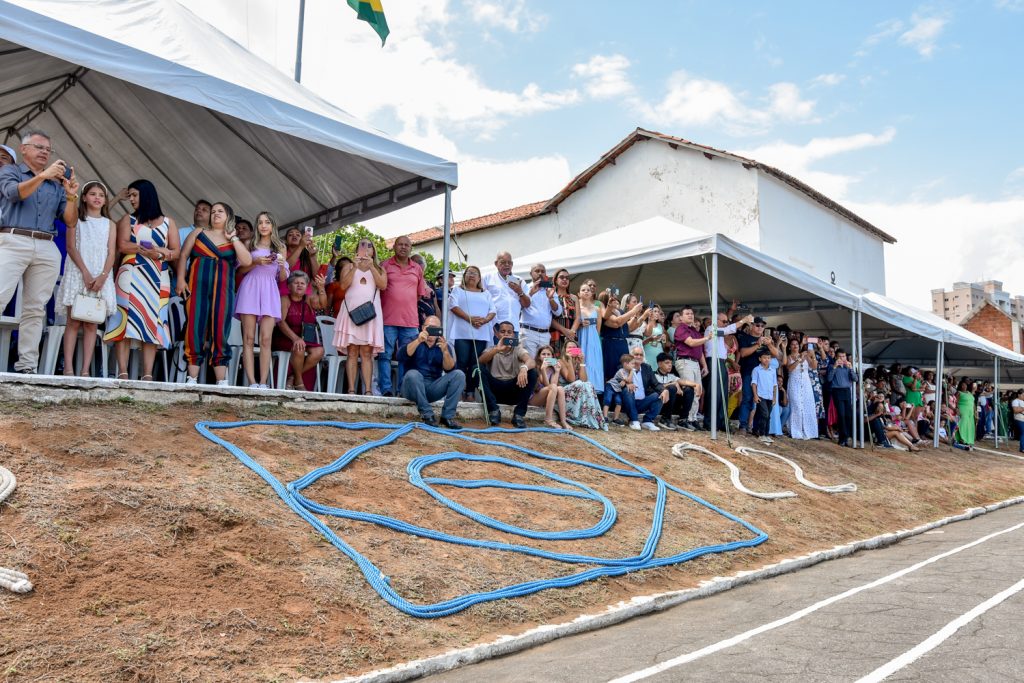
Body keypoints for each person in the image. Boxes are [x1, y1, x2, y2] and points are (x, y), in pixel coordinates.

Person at [0, 129, 79, 373]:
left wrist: (71, 196)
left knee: (35, 309)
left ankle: (27, 366)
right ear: (24, 149)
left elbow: (70, 221)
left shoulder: (56, 185)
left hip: (46, 245)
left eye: (48, 149)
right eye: (39, 147)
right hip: (13, 239)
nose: (45, 152)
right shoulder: (10, 171)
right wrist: (43, 175)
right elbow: (14, 193)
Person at [105, 179, 179, 379]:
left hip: (158, 278)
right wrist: (149, 250)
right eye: (129, 195)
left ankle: (147, 374)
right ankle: (122, 372)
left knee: (153, 323)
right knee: (124, 321)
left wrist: (160, 254)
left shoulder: (169, 222)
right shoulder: (128, 219)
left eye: (134, 195)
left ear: (147, 195)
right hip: (130, 275)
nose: (131, 199)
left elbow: (176, 252)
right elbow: (122, 245)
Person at [176, 201, 252, 385]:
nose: (216, 214)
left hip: (224, 290)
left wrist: (233, 238)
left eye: (220, 211)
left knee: (220, 329)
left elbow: (247, 261)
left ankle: (221, 381)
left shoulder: (233, 238)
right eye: (214, 211)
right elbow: (184, 255)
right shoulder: (198, 232)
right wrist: (180, 279)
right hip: (197, 288)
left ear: (229, 216)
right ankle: (192, 378)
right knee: (195, 327)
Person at [56, 180, 116, 377]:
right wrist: (85, 272)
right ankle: (68, 368)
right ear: (83, 197)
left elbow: (111, 253)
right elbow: (71, 247)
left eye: (101, 195)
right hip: (78, 271)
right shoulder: (76, 219)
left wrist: (103, 276)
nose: (97, 198)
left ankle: (85, 370)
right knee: (73, 321)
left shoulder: (110, 224)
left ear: (105, 200)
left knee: (92, 323)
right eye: (93, 194)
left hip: (101, 274)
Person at [235, 210, 289, 388]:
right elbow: (240, 270)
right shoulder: (249, 244)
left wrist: (282, 266)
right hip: (250, 288)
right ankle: (251, 382)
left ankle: (263, 382)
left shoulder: (280, 247)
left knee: (266, 339)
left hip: (270, 290)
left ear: (273, 225)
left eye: (267, 222)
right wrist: (255, 263)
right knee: (249, 338)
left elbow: (282, 278)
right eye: (260, 222)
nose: (263, 226)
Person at [379, 235, 431, 396]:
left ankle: (403, 390)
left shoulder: (417, 269)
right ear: (394, 247)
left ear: (410, 248)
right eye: (400, 244)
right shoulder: (384, 265)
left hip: (409, 321)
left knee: (407, 356)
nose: (403, 247)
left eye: (406, 245)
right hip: (388, 319)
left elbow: (419, 294)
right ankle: (386, 389)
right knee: (385, 355)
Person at [333, 238, 386, 394]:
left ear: (373, 251)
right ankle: (351, 390)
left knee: (367, 353)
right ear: (357, 249)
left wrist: (372, 266)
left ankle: (368, 390)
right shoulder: (349, 266)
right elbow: (343, 285)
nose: (366, 248)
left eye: (369, 246)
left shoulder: (379, 268)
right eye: (363, 245)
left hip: (370, 314)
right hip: (351, 313)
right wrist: (355, 267)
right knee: (352, 352)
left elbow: (383, 285)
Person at [398, 315, 464, 428]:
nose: (431, 331)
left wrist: (445, 352)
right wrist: (418, 341)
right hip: (411, 387)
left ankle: (447, 416)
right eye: (429, 327)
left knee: (459, 375)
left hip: (432, 387)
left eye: (435, 328)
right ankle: (427, 414)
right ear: (423, 328)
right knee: (413, 374)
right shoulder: (413, 339)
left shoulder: (442, 344)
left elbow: (450, 369)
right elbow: (400, 356)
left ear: (439, 330)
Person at [447, 265, 495, 401]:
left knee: (475, 363)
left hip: (480, 333)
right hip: (462, 333)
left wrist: (484, 320)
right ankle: (459, 390)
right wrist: (470, 319)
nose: (472, 275)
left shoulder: (486, 293)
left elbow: (493, 311)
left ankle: (470, 392)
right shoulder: (458, 290)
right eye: (469, 272)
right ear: (464, 276)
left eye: (475, 273)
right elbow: (453, 306)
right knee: (462, 362)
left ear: (479, 278)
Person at [702, 311, 754, 432]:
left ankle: (721, 422)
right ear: (715, 320)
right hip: (713, 361)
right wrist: (743, 321)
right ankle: (709, 422)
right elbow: (727, 330)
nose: (726, 323)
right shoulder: (711, 329)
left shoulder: (720, 331)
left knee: (723, 394)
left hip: (721, 362)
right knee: (714, 393)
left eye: (727, 321)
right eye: (724, 321)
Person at [478, 320, 536, 428]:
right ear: (497, 334)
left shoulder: (517, 348)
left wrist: (524, 368)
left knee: (532, 372)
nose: (506, 334)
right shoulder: (492, 349)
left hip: (513, 389)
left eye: (509, 332)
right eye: (503, 331)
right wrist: (497, 349)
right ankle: (494, 410)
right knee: (477, 369)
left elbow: (531, 361)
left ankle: (519, 415)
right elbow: (480, 361)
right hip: (495, 391)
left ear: (513, 335)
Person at [274, 271, 326, 390]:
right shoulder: (285, 299)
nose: (299, 285)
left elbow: (323, 304)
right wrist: (295, 338)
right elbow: (281, 322)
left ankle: (292, 377)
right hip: (285, 337)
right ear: (289, 286)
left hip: (304, 338)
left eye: (302, 283)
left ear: (306, 287)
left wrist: (321, 288)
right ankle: (299, 382)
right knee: (299, 347)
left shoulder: (308, 300)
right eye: (296, 283)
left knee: (319, 351)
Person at [598, 290, 644, 394]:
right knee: (612, 371)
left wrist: (636, 315)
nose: (615, 297)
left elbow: (628, 328)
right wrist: (633, 311)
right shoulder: (605, 313)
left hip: (622, 343)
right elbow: (617, 323)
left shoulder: (620, 312)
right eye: (612, 295)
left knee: (626, 369)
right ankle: (611, 396)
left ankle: (624, 395)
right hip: (611, 344)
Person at [673, 307, 711, 430]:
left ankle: (693, 418)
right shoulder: (681, 328)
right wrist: (706, 338)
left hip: (694, 362)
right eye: (687, 313)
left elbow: (699, 350)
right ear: (681, 317)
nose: (690, 315)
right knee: (692, 390)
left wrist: (705, 365)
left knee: (698, 392)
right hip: (685, 361)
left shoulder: (694, 330)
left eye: (692, 313)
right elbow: (691, 343)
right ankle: (686, 419)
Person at [558, 340, 606, 430]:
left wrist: (582, 362)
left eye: (574, 348)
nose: (571, 349)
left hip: (577, 391)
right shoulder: (561, 361)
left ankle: (590, 418)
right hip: (563, 392)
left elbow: (584, 380)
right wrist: (569, 361)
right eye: (569, 347)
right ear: (565, 350)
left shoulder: (578, 362)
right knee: (579, 383)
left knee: (588, 384)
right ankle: (581, 417)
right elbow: (571, 380)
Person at [482, 252, 530, 335]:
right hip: (494, 326)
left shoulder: (519, 280)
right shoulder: (488, 278)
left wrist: (519, 291)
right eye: (503, 262)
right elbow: (481, 300)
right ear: (496, 264)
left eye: (509, 263)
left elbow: (527, 304)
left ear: (512, 264)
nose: (507, 265)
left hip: (513, 328)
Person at [652, 351, 701, 432]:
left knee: (689, 389)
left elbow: (684, 381)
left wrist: (696, 384)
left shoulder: (671, 376)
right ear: (659, 364)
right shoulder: (653, 375)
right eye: (667, 363)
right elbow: (656, 387)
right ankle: (664, 419)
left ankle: (683, 420)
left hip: (672, 405)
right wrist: (673, 384)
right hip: (659, 405)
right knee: (672, 388)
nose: (670, 365)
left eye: (671, 363)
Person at [520, 263, 562, 357]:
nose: (540, 273)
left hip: (545, 334)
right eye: (537, 271)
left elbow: (558, 312)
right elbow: (519, 307)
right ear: (531, 274)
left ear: (545, 274)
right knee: (530, 363)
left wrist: (551, 299)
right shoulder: (525, 288)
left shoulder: (550, 290)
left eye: (543, 271)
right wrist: (530, 293)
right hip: (528, 332)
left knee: (545, 363)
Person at [530, 345, 572, 430]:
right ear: (539, 356)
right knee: (553, 387)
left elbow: (554, 386)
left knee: (560, 388)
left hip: (545, 397)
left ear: (552, 356)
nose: (546, 356)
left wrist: (557, 372)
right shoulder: (536, 366)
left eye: (548, 354)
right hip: (533, 399)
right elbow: (547, 385)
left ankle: (563, 421)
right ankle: (548, 419)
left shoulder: (552, 369)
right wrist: (543, 370)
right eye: (543, 354)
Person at [785, 338, 818, 439]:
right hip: (794, 383)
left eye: (796, 344)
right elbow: (789, 369)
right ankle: (796, 431)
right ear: (789, 347)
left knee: (807, 406)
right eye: (793, 344)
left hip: (806, 383)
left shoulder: (805, 355)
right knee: (797, 406)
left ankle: (808, 430)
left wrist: (812, 356)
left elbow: (814, 367)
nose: (795, 346)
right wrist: (799, 359)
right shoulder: (789, 357)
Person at [174, 199, 211, 290]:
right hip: (180, 280)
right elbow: (173, 256)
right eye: (197, 209)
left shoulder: (214, 237)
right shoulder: (180, 232)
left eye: (204, 210)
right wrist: (184, 275)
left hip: (204, 284)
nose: (199, 211)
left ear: (212, 216)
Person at [576, 281, 604, 390]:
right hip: (580, 337)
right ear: (579, 294)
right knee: (582, 360)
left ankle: (595, 387)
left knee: (594, 361)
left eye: (588, 290)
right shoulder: (577, 308)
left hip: (593, 339)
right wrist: (580, 325)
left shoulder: (597, 309)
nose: (586, 292)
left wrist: (595, 342)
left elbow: (598, 329)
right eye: (583, 290)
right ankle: (582, 386)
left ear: (591, 293)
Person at [828, 349, 857, 447]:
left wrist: (851, 368)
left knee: (848, 415)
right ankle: (842, 438)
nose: (842, 359)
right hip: (837, 391)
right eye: (840, 357)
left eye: (843, 356)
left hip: (847, 391)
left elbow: (855, 379)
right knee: (841, 414)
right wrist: (835, 367)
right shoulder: (832, 366)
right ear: (836, 357)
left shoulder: (847, 367)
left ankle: (846, 437)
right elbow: (829, 379)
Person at [280, 226, 319, 295]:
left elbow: (317, 277)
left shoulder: (307, 254)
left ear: (301, 239)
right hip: (285, 294)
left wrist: (312, 256)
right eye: (290, 235)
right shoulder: (281, 253)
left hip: (305, 295)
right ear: (286, 240)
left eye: (298, 235)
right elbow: (286, 267)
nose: (294, 236)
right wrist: (300, 246)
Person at [549, 268, 578, 356]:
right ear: (556, 280)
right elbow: (549, 318)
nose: (565, 279)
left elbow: (578, 317)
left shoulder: (574, 298)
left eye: (567, 278)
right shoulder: (550, 296)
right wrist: (564, 331)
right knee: (555, 360)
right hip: (555, 334)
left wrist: (572, 331)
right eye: (562, 277)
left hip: (572, 335)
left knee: (574, 358)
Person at [751, 349, 777, 444]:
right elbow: (754, 383)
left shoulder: (773, 370)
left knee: (768, 416)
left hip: (770, 396)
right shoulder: (756, 370)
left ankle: (766, 434)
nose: (767, 360)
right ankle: (761, 434)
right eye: (765, 358)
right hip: (761, 396)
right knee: (764, 414)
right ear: (760, 359)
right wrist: (755, 395)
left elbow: (775, 385)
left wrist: (774, 397)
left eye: (769, 358)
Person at [954, 380, 976, 450]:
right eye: (962, 385)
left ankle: (968, 440)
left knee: (970, 425)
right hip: (963, 409)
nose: (964, 386)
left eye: (965, 385)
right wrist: (956, 409)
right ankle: (961, 438)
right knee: (963, 423)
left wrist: (975, 412)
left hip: (970, 411)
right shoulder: (959, 392)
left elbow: (973, 403)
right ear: (960, 386)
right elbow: (955, 401)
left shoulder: (969, 393)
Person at [1011, 389, 1024, 453]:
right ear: (1019, 395)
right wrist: (1022, 409)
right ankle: (1022, 448)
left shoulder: (1022, 401)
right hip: (1019, 419)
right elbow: (1015, 410)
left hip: (1022, 418)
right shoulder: (1015, 401)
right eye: (1023, 395)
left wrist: (1021, 408)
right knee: (1023, 433)